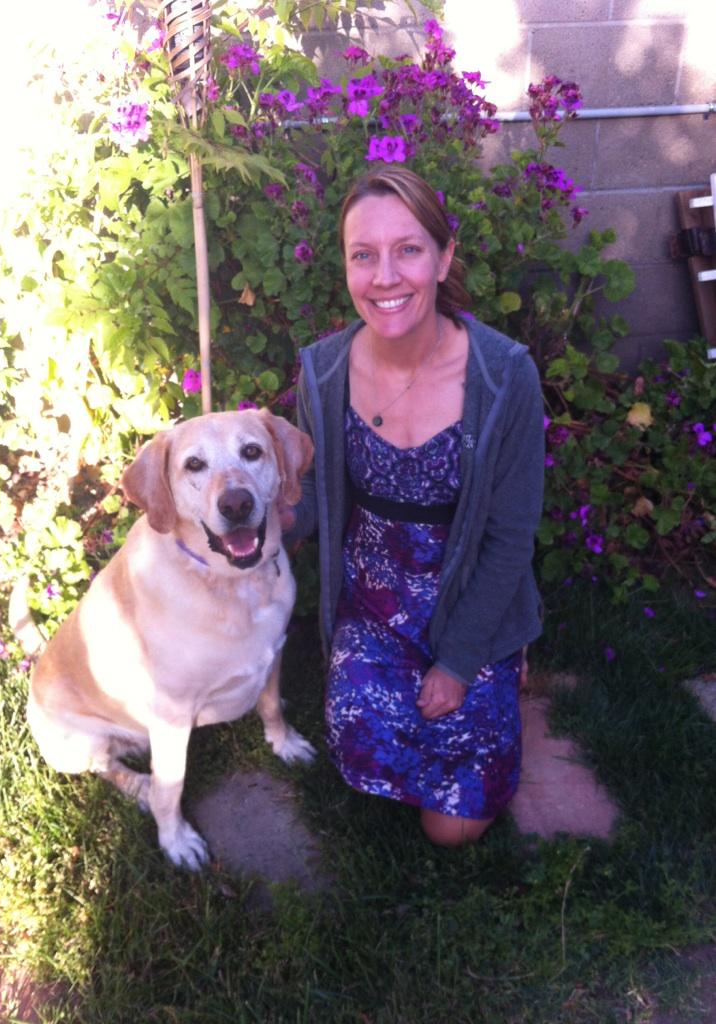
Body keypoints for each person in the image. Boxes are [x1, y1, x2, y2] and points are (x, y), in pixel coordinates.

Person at [285, 165, 544, 847]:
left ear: (444, 258)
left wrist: (458, 662)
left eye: (407, 250)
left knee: (451, 830)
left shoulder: (504, 375)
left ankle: (505, 654)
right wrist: (259, 519)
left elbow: (511, 538)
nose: (385, 277)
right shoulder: (324, 371)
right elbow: (311, 500)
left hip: (471, 595)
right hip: (373, 599)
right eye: (363, 255)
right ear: (345, 267)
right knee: (359, 738)